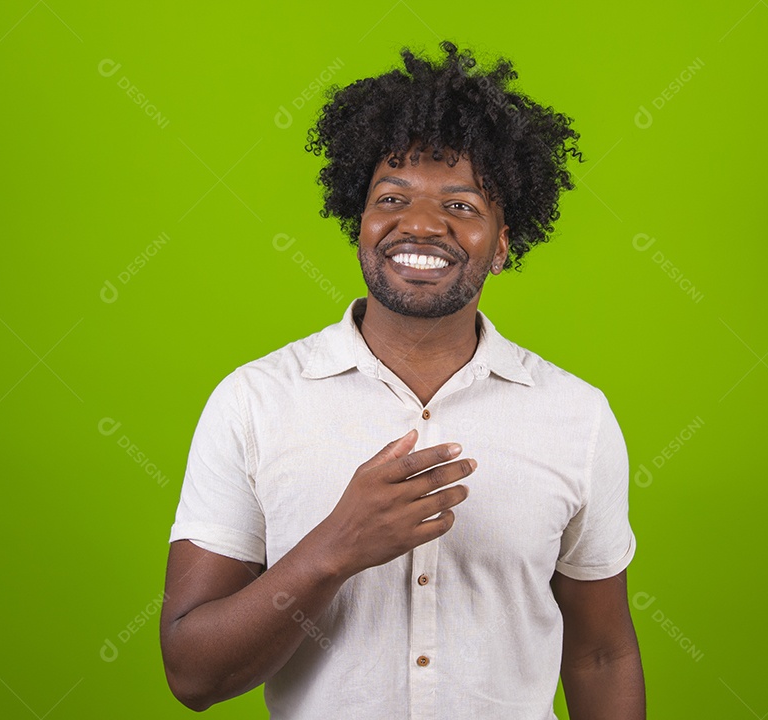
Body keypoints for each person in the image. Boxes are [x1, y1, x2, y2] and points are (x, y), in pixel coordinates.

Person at [160, 40, 644, 719]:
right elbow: (193, 674)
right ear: (358, 222)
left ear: (502, 244)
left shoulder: (576, 416)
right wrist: (336, 547)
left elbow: (601, 655)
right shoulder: (254, 402)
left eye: (463, 205)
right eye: (392, 197)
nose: (421, 224)